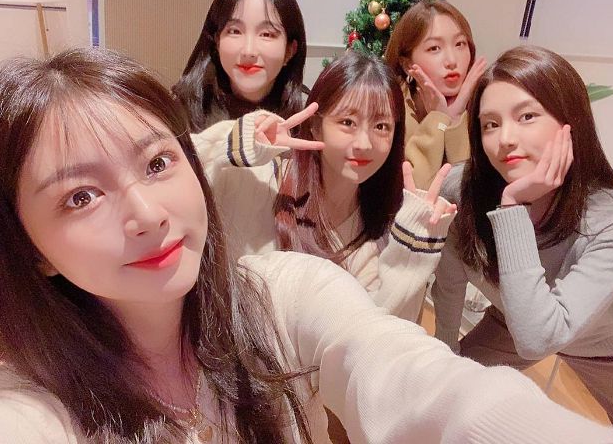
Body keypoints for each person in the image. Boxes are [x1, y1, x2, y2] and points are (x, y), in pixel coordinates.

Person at [1, 47, 613, 444]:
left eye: (158, 163)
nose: (145, 214)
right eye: (80, 196)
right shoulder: (31, 408)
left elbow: (409, 369)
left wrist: (416, 249)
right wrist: (237, 145)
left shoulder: (284, 289)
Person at [431, 45, 613, 428]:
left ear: (570, 122)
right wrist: (444, 356)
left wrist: (512, 208)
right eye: (490, 124)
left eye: (526, 116)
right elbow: (450, 282)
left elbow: (539, 337)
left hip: (611, 353)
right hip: (513, 321)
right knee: (446, 392)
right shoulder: (463, 188)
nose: (505, 138)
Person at [193, 50, 456, 324]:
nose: (364, 143)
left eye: (381, 126)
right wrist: (236, 141)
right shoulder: (261, 183)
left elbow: (377, 336)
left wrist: (410, 255)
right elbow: (180, 171)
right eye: (347, 122)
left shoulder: (380, 233)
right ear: (316, 126)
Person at [172, 0, 307, 130]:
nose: (248, 51)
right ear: (217, 41)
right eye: (235, 31)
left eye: (266, 34)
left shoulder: (307, 116)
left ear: (290, 50)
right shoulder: (180, 111)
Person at [384, 0, 486, 189]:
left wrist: (455, 120)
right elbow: (413, 194)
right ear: (407, 64)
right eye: (434, 48)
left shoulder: (483, 107)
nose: (451, 60)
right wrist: (438, 119)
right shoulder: (390, 110)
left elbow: (469, 193)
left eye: (460, 44)